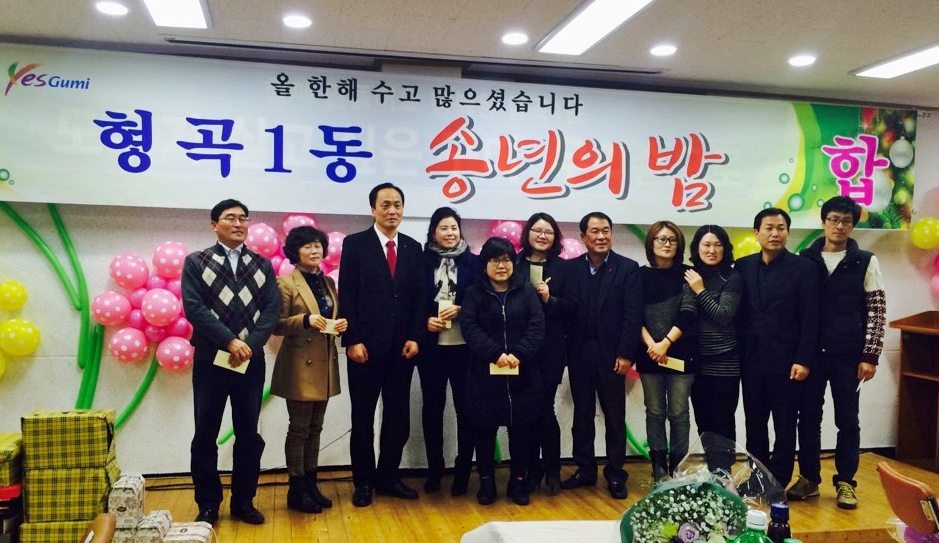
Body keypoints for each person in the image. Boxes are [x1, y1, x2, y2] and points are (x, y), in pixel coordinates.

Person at [181, 198, 280, 525]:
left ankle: (243, 502)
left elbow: (271, 310)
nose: (238, 224)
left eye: (243, 218)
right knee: (205, 434)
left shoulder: (262, 264)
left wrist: (249, 344)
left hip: (250, 360)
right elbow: (195, 308)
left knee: (249, 434)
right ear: (214, 225)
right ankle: (208, 503)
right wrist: (229, 341)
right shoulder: (197, 262)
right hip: (211, 359)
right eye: (230, 218)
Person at [789, 196, 885, 509]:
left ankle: (845, 481)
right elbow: (795, 309)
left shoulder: (865, 261)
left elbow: (877, 311)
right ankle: (809, 478)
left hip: (849, 356)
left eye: (846, 221)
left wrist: (870, 356)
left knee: (848, 420)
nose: (839, 226)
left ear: (852, 225)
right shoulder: (805, 258)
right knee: (808, 418)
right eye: (833, 219)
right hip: (811, 356)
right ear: (823, 222)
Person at [338, 182, 426, 507]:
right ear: (373, 209)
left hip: (402, 350)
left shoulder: (413, 248)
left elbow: (419, 298)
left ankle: (389, 477)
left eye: (397, 205)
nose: (392, 211)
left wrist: (416, 336)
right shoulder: (355, 244)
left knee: (397, 418)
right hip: (365, 349)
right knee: (362, 419)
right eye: (385, 205)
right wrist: (353, 340)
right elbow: (347, 294)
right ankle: (363, 482)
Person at [736, 207, 819, 494]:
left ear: (788, 233)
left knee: (785, 423)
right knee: (754, 420)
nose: (775, 233)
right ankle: (757, 475)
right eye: (769, 228)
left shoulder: (804, 269)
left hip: (788, 361)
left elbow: (811, 317)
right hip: (751, 359)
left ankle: (779, 479)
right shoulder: (743, 266)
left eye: (781, 228)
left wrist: (803, 359)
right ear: (756, 233)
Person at [562, 211, 643, 499]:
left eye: (606, 230)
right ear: (583, 237)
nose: (601, 236)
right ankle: (585, 468)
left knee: (614, 415)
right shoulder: (570, 269)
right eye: (594, 231)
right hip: (579, 352)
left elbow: (633, 315)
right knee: (582, 414)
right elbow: (565, 310)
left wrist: (626, 353)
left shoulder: (627, 268)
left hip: (613, 354)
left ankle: (616, 472)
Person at [461, 237, 545, 506]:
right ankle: (487, 483)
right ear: (485, 263)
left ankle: (518, 482)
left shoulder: (526, 290)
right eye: (495, 260)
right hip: (483, 374)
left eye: (507, 259)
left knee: (521, 432)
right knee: (484, 431)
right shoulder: (473, 293)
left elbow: (537, 325)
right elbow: (470, 328)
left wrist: (518, 354)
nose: (501, 265)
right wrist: (495, 354)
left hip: (523, 373)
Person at [271, 226, 348, 514]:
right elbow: (276, 325)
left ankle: (311, 484)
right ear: (295, 252)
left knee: (316, 427)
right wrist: (305, 320)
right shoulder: (285, 283)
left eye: (318, 245)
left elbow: (331, 315)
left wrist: (340, 324)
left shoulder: (327, 281)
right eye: (307, 246)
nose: (314, 250)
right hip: (300, 366)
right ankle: (296, 488)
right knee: (299, 428)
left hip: (324, 363)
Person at [418, 207, 483, 496]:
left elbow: (485, 302)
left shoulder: (475, 263)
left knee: (466, 410)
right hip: (432, 350)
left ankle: (462, 471)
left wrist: (463, 309)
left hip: (465, 349)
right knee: (432, 409)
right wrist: (425, 321)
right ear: (433, 232)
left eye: (454, 227)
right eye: (443, 228)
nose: (450, 233)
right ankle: (435, 469)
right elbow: (410, 301)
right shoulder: (421, 263)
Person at [515, 212, 573, 496]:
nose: (542, 235)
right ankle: (529, 470)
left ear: (555, 237)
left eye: (548, 231)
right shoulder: (513, 264)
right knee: (524, 412)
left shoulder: (564, 268)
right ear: (527, 233)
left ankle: (551, 469)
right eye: (537, 230)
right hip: (519, 350)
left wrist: (551, 300)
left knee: (544, 408)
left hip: (550, 350)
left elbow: (574, 308)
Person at [637, 221, 696, 482]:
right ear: (651, 243)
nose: (667, 244)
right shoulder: (638, 275)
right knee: (655, 412)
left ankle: (678, 467)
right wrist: (652, 344)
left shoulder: (688, 274)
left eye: (672, 240)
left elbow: (688, 312)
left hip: (681, 354)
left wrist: (665, 343)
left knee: (679, 413)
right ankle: (659, 467)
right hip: (649, 354)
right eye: (661, 239)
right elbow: (633, 313)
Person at [684, 225, 742, 473]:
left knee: (723, 422)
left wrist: (700, 290)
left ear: (725, 248)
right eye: (706, 244)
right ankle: (713, 470)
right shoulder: (689, 274)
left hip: (724, 363)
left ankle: (724, 472)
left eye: (717, 244)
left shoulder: (732, 277)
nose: (712, 250)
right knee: (704, 422)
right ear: (697, 248)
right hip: (696, 363)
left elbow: (723, 315)